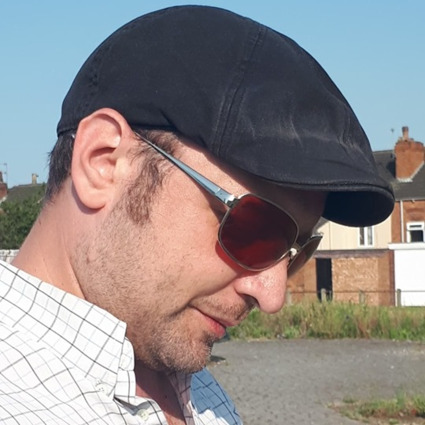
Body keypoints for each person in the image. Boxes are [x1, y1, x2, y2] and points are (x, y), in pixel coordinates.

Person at [0, 5, 394, 425]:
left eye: (297, 251)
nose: (272, 296)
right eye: (254, 229)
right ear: (103, 162)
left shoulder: (195, 387)